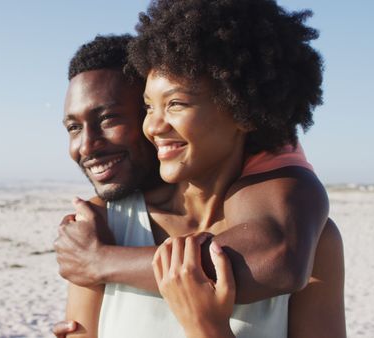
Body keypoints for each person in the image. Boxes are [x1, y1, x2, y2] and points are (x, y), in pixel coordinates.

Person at [55, 4, 344, 334]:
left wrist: (208, 328)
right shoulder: (101, 227)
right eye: (149, 107)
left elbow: (279, 257)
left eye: (176, 103)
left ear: (241, 108)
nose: (155, 125)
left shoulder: (312, 240)